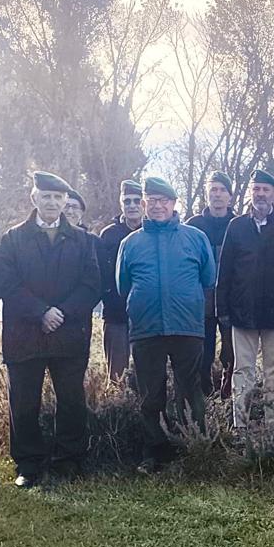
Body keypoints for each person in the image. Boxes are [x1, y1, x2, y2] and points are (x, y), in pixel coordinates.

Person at [0, 171, 102, 488]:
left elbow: (92, 285)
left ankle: (68, 461)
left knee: (71, 401)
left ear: (65, 201)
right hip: (24, 334)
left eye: (58, 197)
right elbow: (7, 284)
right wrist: (40, 312)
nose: (52, 202)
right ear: (34, 198)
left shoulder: (83, 240)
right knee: (24, 403)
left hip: (68, 334)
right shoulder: (12, 239)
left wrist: (62, 313)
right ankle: (28, 465)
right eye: (46, 196)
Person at [117, 177, 217, 472]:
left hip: (187, 327)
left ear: (174, 204)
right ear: (144, 204)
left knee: (190, 390)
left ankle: (194, 449)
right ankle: (154, 453)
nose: (158, 206)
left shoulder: (195, 238)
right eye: (152, 200)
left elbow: (209, 277)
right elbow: (122, 285)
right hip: (147, 328)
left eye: (164, 201)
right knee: (150, 394)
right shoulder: (130, 243)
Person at [217, 170, 274, 429]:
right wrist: (222, 310)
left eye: (266, 189)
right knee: (242, 370)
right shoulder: (237, 226)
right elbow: (225, 270)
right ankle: (241, 425)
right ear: (250, 192)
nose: (261, 194)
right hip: (242, 312)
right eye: (256, 189)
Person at [187, 171, 236, 397]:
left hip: (230, 302)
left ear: (230, 195)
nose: (217, 194)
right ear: (207, 194)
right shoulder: (193, 226)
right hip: (200, 303)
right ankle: (203, 402)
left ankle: (228, 400)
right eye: (213, 190)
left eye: (222, 190)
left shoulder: (238, 225)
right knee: (201, 356)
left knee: (231, 355)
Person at [95, 179, 144, 382]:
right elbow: (100, 274)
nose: (132, 205)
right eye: (127, 201)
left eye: (136, 201)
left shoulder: (153, 232)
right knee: (117, 377)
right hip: (116, 316)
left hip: (147, 316)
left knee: (147, 375)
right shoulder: (108, 235)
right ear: (120, 203)